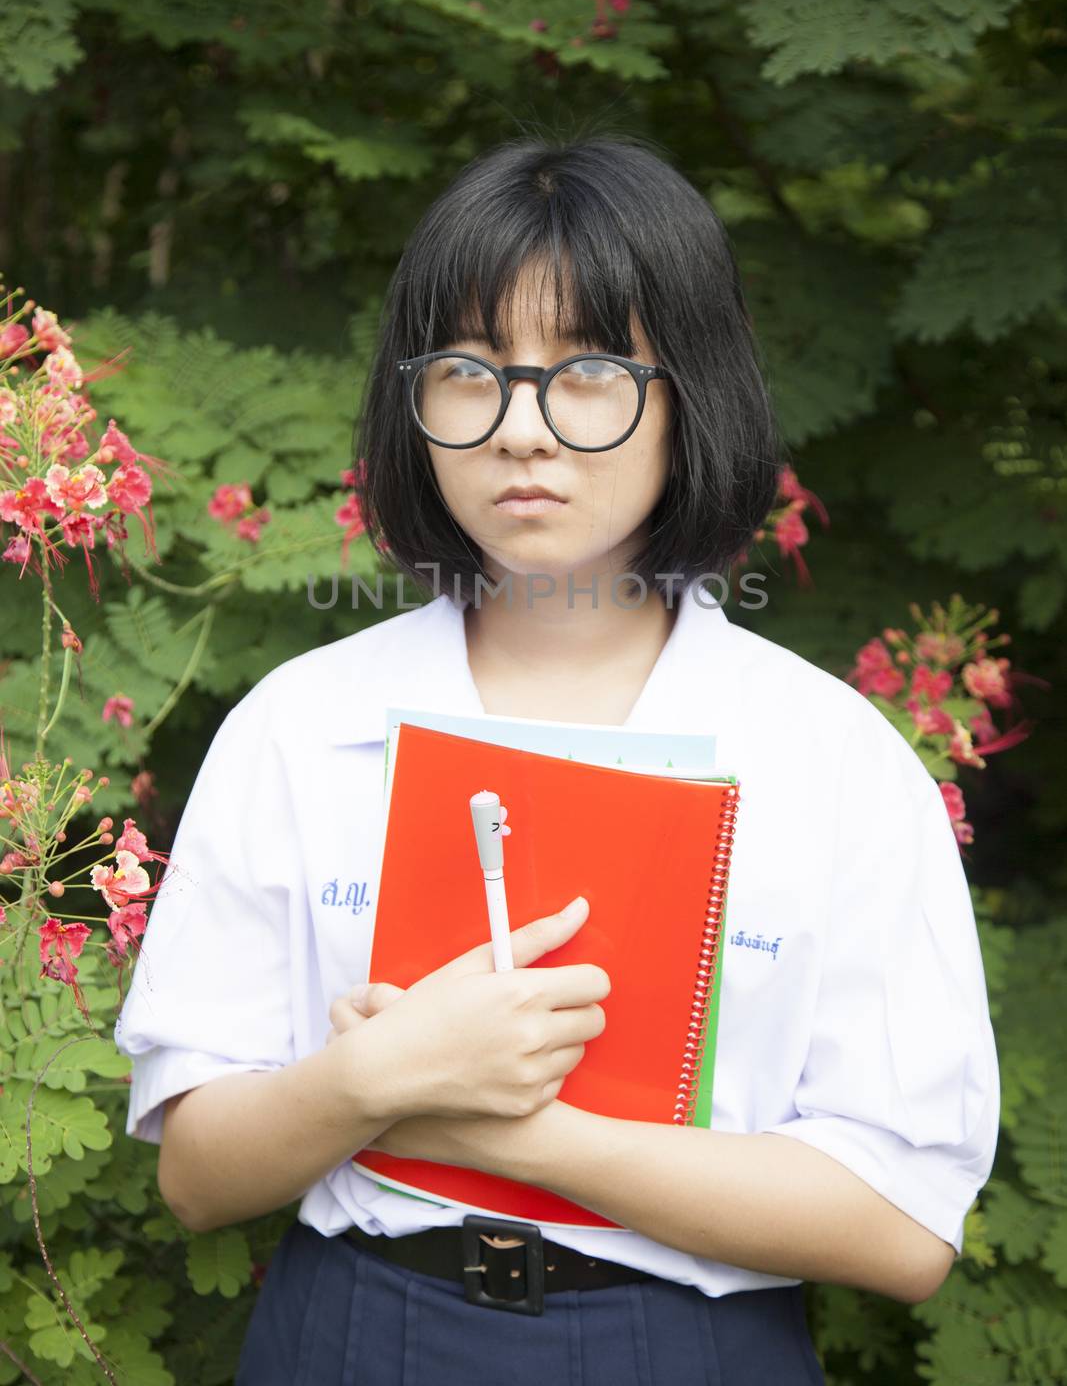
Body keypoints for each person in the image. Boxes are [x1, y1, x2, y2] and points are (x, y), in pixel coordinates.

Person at [113, 133, 1000, 1385]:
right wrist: (371, 1074)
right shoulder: (299, 724)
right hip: (354, 1330)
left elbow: (904, 1229)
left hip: (686, 1345)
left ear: (689, 390)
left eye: (588, 370)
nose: (522, 430)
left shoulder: (828, 759)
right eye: (468, 371)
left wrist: (509, 1126)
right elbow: (198, 1178)